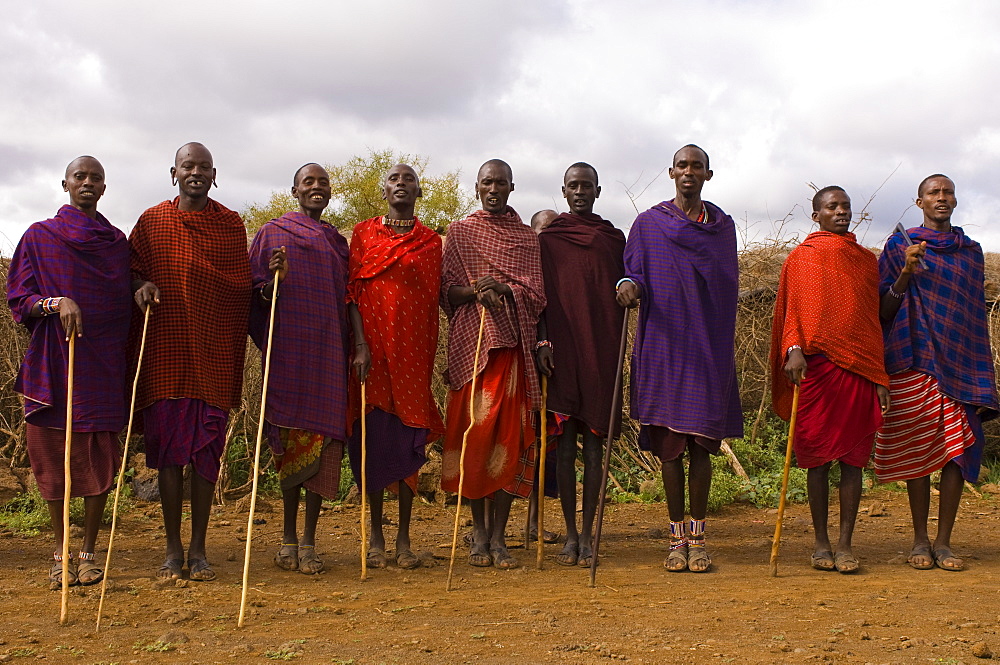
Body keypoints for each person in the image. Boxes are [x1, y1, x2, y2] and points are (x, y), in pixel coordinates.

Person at [7, 156, 138, 589]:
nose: (87, 182)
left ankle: (88, 553)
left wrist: (142, 288)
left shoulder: (117, 244)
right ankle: (61, 553)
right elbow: (19, 299)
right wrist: (54, 302)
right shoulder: (39, 237)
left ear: (104, 187)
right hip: (53, 363)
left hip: (101, 364)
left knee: (100, 460)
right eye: (79, 176)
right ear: (64, 184)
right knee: (52, 462)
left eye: (95, 177)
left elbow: (126, 289)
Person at [616, 144, 742, 572]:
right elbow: (631, 271)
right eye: (683, 165)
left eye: (697, 166)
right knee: (669, 449)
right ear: (671, 172)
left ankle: (700, 537)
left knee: (703, 445)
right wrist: (627, 287)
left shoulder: (721, 228)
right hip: (664, 346)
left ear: (709, 174)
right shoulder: (649, 224)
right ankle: (675, 539)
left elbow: (727, 289)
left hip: (707, 347)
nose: (689, 172)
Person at [129, 142, 250, 581]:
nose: (195, 172)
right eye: (187, 166)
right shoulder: (151, 222)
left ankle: (199, 549)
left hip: (214, 353)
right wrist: (140, 285)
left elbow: (241, 284)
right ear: (174, 173)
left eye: (203, 167)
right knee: (167, 457)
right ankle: (171, 547)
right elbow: (132, 269)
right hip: (166, 353)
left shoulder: (229, 224)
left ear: (214, 175)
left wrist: (268, 275)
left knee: (205, 455)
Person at [874, 174, 998, 572]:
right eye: (933, 193)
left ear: (955, 202)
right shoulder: (898, 248)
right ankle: (919, 540)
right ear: (919, 202)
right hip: (916, 361)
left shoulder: (970, 253)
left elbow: (972, 316)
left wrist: (979, 367)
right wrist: (907, 271)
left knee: (955, 453)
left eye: (947, 193)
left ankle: (944, 542)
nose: (941, 198)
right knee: (920, 450)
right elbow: (883, 311)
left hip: (962, 364)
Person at [248, 163, 366, 574]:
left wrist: (359, 347)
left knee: (325, 447)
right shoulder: (271, 234)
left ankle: (311, 541)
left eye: (322, 183)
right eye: (308, 183)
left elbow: (349, 297)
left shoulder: (337, 242)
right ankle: (286, 539)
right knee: (291, 447)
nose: (316, 188)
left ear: (330, 192)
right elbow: (254, 297)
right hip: (289, 357)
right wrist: (270, 281)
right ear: (294, 190)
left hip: (329, 356)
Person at [769, 186, 890, 574]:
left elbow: (871, 320)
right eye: (832, 207)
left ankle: (846, 544)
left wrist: (878, 375)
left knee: (853, 461)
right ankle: (821, 542)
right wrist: (792, 349)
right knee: (817, 461)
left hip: (858, 370)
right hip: (817, 370)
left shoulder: (864, 261)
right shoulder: (801, 259)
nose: (841, 212)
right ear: (815, 214)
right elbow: (792, 311)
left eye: (845, 206)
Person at [440, 159, 546, 569]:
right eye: (487, 183)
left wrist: (504, 288)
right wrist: (474, 292)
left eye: (501, 182)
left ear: (512, 187)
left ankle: (499, 537)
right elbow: (445, 292)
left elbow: (536, 295)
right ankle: (478, 533)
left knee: (509, 439)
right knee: (474, 441)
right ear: (477, 188)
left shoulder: (526, 238)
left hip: (513, 352)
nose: (494, 189)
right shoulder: (462, 232)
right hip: (473, 350)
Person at [346, 163, 443, 570]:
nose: (401, 184)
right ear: (384, 191)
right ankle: (376, 536)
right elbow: (352, 290)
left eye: (409, 180)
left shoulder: (432, 243)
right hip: (373, 354)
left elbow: (439, 297)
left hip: (413, 356)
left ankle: (404, 538)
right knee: (372, 441)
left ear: (419, 192)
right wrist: (361, 345)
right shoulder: (363, 234)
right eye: (393, 179)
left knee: (407, 442)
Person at [535, 163, 625, 568]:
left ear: (598, 191)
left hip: (601, 352)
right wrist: (542, 341)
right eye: (573, 186)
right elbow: (539, 298)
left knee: (593, 448)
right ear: (563, 191)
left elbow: (629, 285)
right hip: (562, 351)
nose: (579, 192)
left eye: (586, 186)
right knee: (565, 449)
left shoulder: (612, 240)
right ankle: (569, 534)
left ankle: (590, 535)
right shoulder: (549, 240)